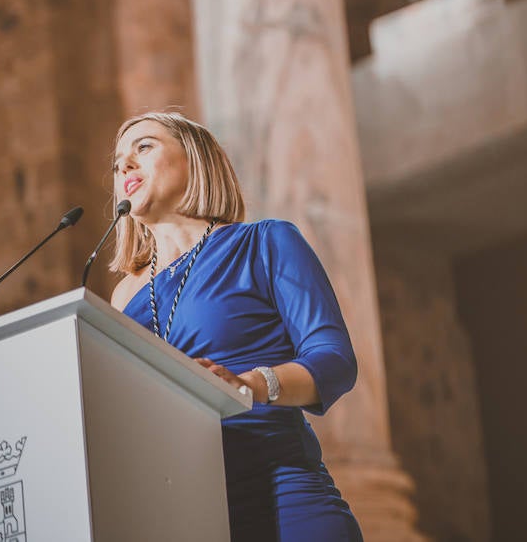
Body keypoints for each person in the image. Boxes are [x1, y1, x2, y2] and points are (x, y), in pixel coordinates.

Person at [107, 111, 363, 542]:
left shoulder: (264, 243)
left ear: (196, 159)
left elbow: (335, 360)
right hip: (184, 515)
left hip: (284, 500)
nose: (125, 166)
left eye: (144, 147)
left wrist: (249, 386)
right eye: (117, 163)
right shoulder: (122, 298)